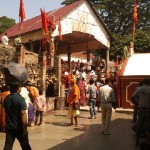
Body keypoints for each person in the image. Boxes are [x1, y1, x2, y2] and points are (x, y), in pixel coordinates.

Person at [3, 82, 31, 150]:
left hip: (9, 126)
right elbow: (23, 114)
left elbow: (4, 111)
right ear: (18, 88)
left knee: (8, 145)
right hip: (19, 127)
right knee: (25, 145)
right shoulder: (20, 99)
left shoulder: (7, 98)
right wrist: (24, 127)